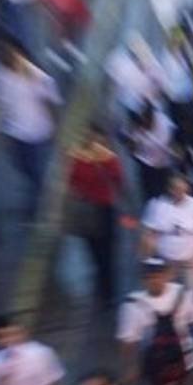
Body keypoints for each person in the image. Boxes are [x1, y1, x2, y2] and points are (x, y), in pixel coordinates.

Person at [0, 40, 63, 211]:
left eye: (13, 54)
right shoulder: (0, 74)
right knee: (22, 166)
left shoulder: (37, 76)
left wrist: (56, 127)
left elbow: (52, 102)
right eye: (4, 53)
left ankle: (38, 203)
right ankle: (40, 193)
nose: (9, 57)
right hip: (13, 132)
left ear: (22, 54)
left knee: (34, 170)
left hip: (37, 133)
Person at [66, 125, 124, 310]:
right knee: (104, 253)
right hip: (101, 210)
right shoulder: (107, 158)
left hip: (92, 210)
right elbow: (118, 182)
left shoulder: (78, 156)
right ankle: (108, 292)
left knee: (100, 253)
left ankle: (105, 290)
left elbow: (72, 183)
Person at [140, 172, 193, 296]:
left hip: (192, 262)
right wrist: (146, 261)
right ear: (169, 189)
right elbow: (148, 235)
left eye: (183, 189)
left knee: (191, 297)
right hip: (167, 263)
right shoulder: (157, 205)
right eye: (176, 189)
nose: (180, 193)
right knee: (168, 297)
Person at [125, 102, 178, 203]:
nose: (145, 125)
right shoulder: (137, 128)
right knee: (150, 193)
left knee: (167, 190)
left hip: (164, 164)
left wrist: (172, 149)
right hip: (147, 165)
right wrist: (133, 146)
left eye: (147, 121)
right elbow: (132, 148)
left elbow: (171, 135)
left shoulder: (162, 121)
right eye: (142, 122)